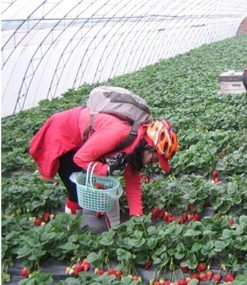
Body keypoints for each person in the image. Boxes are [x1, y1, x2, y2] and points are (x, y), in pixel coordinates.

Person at [29, 94, 179, 228]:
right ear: (148, 147)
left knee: (102, 183)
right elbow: (80, 158)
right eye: (155, 158)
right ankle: (70, 228)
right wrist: (107, 170)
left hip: (88, 139)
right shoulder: (117, 133)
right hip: (64, 134)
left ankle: (102, 214)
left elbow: (133, 182)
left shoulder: (135, 148)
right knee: (75, 190)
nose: (153, 163)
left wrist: (136, 217)